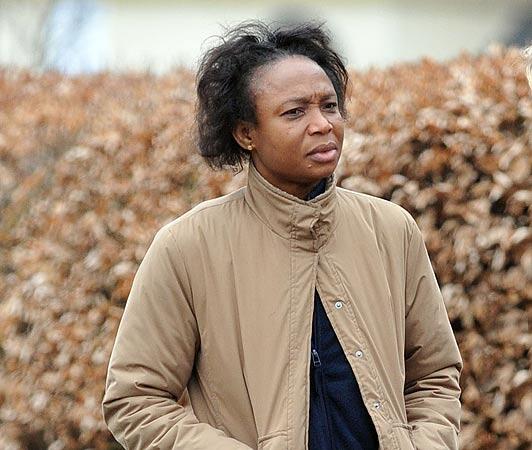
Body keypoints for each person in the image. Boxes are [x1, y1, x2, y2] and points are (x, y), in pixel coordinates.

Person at [102, 21, 462, 449]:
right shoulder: (188, 247)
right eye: (295, 112)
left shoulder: (390, 229)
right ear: (246, 133)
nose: (322, 124)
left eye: (329, 106)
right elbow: (136, 399)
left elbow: (435, 375)